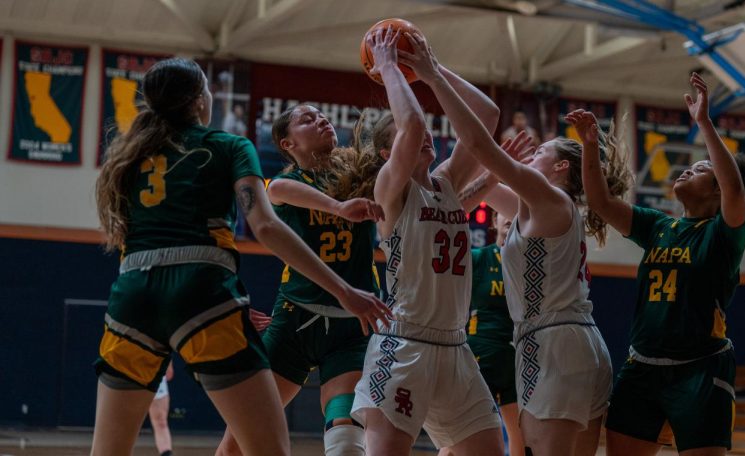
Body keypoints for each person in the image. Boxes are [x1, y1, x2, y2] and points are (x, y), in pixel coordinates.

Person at [92, 57, 390, 456]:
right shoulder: (229, 146)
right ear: (201, 100)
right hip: (207, 293)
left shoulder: (127, 157)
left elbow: (130, 239)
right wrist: (228, 299)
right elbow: (265, 225)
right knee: (264, 447)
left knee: (108, 449)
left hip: (133, 293)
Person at [402, 33, 632, 456]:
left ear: (561, 167)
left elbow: (477, 143)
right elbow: (473, 189)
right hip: (580, 345)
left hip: (554, 344)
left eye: (540, 150)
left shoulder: (551, 198)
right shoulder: (540, 207)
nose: (530, 156)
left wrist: (433, 75)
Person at [580, 72, 745, 456]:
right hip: (642, 367)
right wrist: (590, 146)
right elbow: (601, 203)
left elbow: (734, 188)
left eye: (700, 169)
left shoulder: (723, 234)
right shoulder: (659, 226)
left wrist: (705, 124)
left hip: (701, 369)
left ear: (716, 191)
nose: (687, 170)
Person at [348, 27, 504, 455]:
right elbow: (413, 123)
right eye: (406, 142)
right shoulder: (391, 188)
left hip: (455, 346)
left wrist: (432, 71)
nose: (425, 139)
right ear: (389, 153)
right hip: (403, 344)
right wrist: (389, 67)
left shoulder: (448, 182)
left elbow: (486, 118)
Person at [216, 103, 385, 456]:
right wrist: (338, 208)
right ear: (287, 144)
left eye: (324, 115)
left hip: (352, 327)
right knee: (237, 442)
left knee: (347, 435)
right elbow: (276, 190)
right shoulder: (286, 184)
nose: (322, 119)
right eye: (307, 119)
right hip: (295, 322)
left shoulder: (358, 174)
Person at [462, 211, 526, 456]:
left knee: (520, 433)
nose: (509, 217)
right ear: (494, 221)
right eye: (503, 213)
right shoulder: (478, 258)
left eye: (515, 212)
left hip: (515, 355)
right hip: (481, 351)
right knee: (466, 429)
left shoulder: (527, 263)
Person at [149, 362, 174, 456]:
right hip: (126, 370)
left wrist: (169, 363)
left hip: (153, 368)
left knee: (161, 421)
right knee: (124, 423)